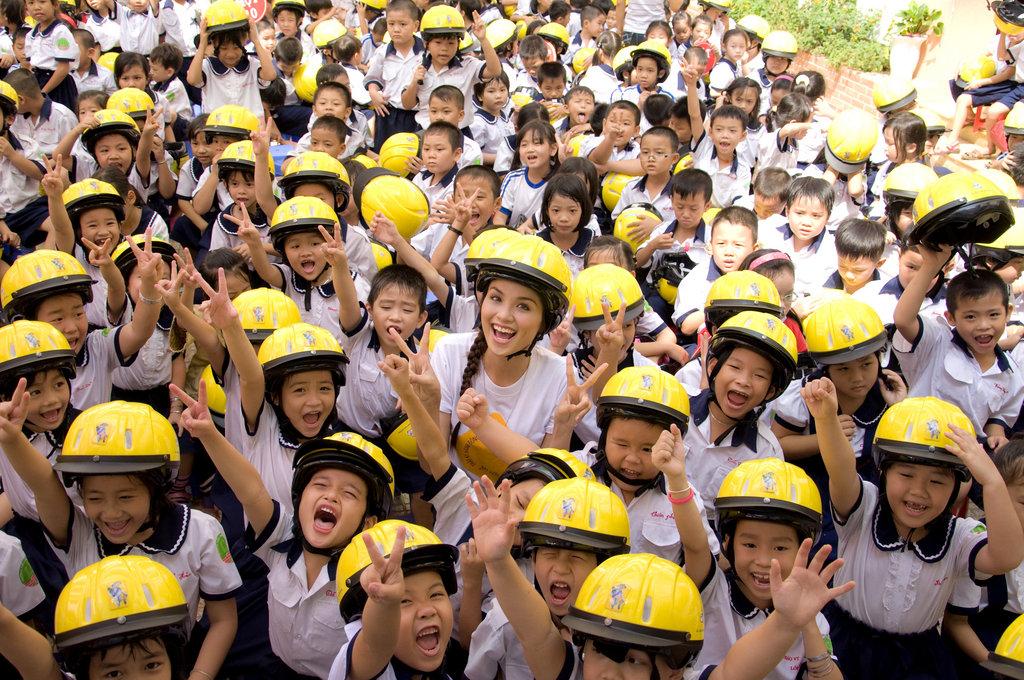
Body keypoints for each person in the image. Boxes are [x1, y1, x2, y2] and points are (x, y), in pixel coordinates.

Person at [804, 386, 1024, 680]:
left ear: (957, 488)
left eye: (937, 481)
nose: (919, 492)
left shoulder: (960, 536)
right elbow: (841, 469)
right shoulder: (863, 509)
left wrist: (992, 480)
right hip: (847, 644)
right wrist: (827, 418)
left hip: (917, 658)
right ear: (883, 472)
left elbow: (1006, 557)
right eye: (906, 475)